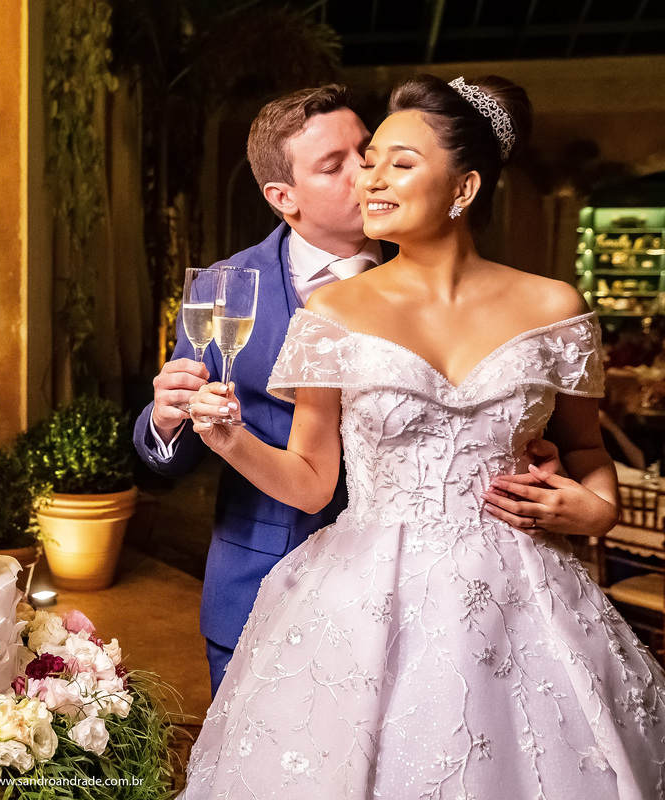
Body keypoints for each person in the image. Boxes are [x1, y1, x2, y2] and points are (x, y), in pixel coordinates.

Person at [181, 74, 665, 798]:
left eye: (397, 163)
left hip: (525, 602)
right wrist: (227, 438)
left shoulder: (554, 307)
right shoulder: (333, 313)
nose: (370, 178)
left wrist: (592, 510)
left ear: (464, 189)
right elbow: (312, 480)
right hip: (363, 601)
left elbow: (590, 454)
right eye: (369, 159)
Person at [133, 85, 386, 696]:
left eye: (368, 152)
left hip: (394, 585)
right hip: (258, 576)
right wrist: (167, 421)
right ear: (282, 197)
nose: (366, 174)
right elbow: (181, 450)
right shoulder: (222, 286)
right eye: (334, 165)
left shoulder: (433, 276)